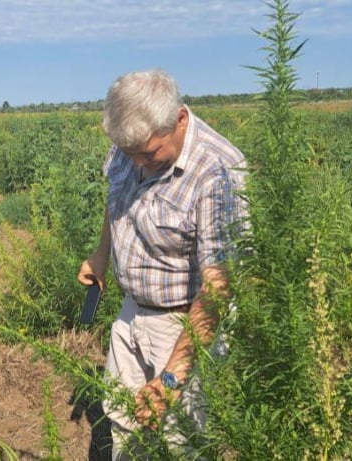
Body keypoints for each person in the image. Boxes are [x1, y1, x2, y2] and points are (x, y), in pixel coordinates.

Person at [77, 69, 247, 459]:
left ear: (180, 119)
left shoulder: (219, 172)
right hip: (130, 313)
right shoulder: (131, 145)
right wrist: (101, 255)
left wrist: (172, 377)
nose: (138, 162)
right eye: (129, 152)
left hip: (185, 323)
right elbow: (116, 199)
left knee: (180, 440)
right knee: (122, 420)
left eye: (149, 153)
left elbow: (218, 288)